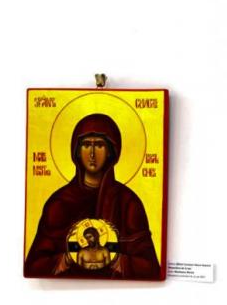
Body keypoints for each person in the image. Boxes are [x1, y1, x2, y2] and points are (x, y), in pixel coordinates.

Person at [25, 113, 161, 279]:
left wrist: (117, 260)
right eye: (86, 145)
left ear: (111, 151)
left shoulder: (128, 202)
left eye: (99, 145)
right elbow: (35, 266)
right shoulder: (59, 203)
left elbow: (150, 268)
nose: (91, 154)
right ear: (76, 151)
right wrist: (66, 259)